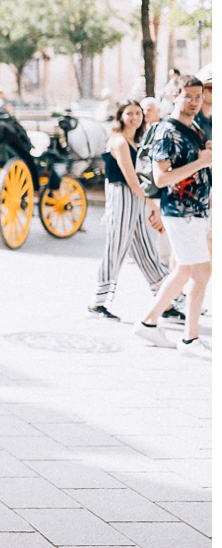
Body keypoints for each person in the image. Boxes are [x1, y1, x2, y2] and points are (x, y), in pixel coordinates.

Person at [134, 76, 211, 355]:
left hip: (196, 210)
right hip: (179, 210)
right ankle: (188, 338)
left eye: (198, 96)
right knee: (197, 271)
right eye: (188, 96)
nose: (193, 102)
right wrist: (201, 161)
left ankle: (150, 322)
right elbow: (162, 177)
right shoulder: (167, 130)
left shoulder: (196, 128)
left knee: (186, 270)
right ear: (175, 96)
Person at [88, 100, 168, 320]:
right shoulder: (120, 141)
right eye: (129, 113)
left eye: (138, 113)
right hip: (124, 196)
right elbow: (130, 179)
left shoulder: (136, 141)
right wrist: (152, 205)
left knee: (146, 251)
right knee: (115, 249)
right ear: (120, 116)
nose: (134, 117)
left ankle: (167, 300)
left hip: (134, 199)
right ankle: (97, 301)